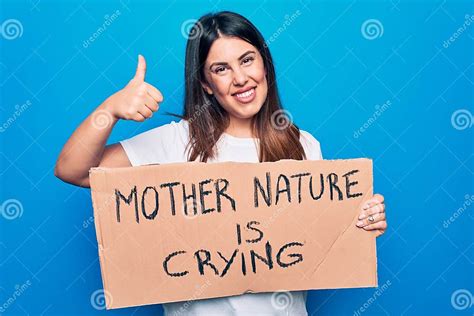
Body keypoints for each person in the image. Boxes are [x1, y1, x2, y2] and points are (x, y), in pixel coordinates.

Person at [55, 11, 387, 316]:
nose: (240, 78)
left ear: (265, 65)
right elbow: (72, 170)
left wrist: (359, 223)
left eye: (247, 60)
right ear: (205, 84)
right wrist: (110, 110)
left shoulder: (303, 145)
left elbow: (319, 243)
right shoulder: (176, 142)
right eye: (221, 69)